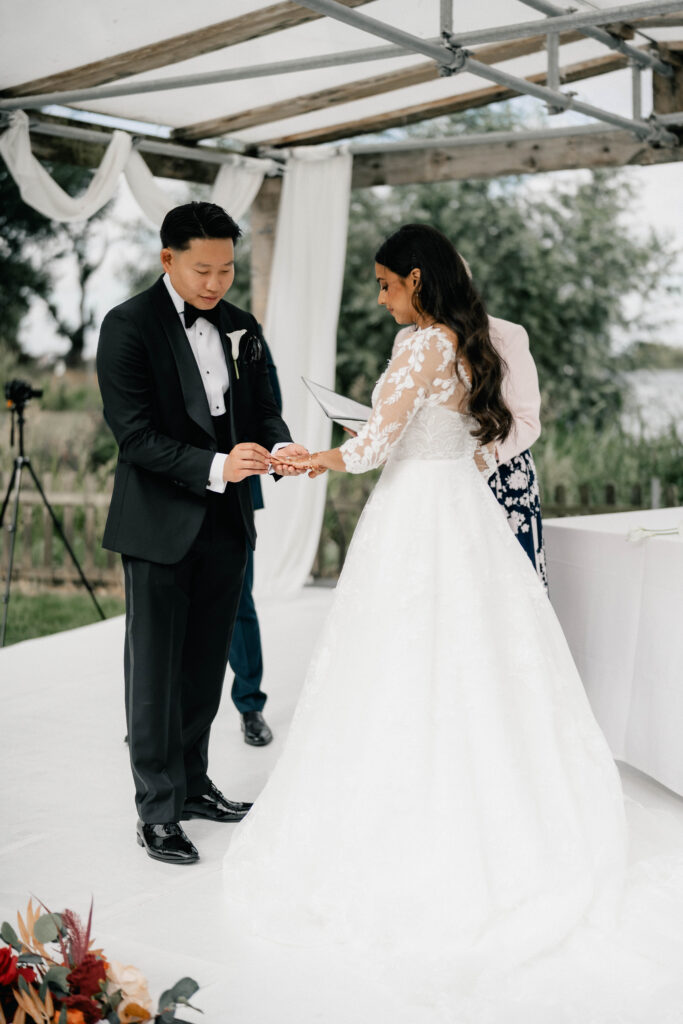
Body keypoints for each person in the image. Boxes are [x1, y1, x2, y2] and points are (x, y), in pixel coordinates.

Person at [221, 224, 683, 1020]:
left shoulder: (419, 346)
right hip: (459, 506)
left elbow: (370, 449)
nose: (379, 297)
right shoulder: (471, 343)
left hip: (417, 514)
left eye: (383, 284)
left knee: (399, 659)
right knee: (478, 660)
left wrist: (305, 457)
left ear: (415, 280)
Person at [97, 201, 307, 865]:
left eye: (226, 270)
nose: (216, 283)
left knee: (203, 666)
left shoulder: (242, 326)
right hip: (158, 523)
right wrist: (216, 464)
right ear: (167, 260)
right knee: (155, 674)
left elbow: (263, 407)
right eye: (202, 269)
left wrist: (281, 446)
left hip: (229, 518)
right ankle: (155, 811)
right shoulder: (127, 326)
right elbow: (134, 438)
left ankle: (192, 786)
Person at [394, 307, 548, 587]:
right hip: (432, 480)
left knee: (506, 585)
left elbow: (526, 421)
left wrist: (481, 459)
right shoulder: (406, 338)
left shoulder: (505, 335)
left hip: (499, 475)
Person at [227, 338, 281, 747]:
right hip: (171, 487)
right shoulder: (149, 324)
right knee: (167, 608)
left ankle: (250, 706)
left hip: (238, 487)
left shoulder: (245, 331)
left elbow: (268, 403)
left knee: (238, 600)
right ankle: (157, 712)